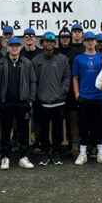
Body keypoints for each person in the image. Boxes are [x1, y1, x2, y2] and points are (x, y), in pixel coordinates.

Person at [72, 32, 102, 166]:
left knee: (100, 125)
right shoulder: (78, 59)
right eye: (87, 40)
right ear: (84, 42)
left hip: (100, 97)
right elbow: (75, 78)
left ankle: (101, 152)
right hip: (84, 97)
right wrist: (77, 94)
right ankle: (83, 153)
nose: (90, 43)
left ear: (95, 42)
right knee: (84, 125)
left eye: (92, 40)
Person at [0, 37, 36, 170]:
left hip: (22, 103)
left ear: (20, 47)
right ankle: (5, 157)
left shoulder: (26, 62)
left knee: (23, 132)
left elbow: (32, 81)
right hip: (6, 103)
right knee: (6, 131)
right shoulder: (1, 63)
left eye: (17, 46)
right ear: (7, 47)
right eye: (11, 45)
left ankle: (23, 157)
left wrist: (30, 99)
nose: (14, 48)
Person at [32, 32, 71, 166]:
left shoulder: (62, 59)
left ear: (54, 43)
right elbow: (33, 80)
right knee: (43, 130)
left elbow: (67, 77)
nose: (49, 44)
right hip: (42, 102)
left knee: (58, 130)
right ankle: (44, 153)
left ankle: (56, 153)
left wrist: (63, 91)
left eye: (51, 41)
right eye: (46, 41)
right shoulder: (36, 60)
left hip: (58, 101)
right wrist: (37, 96)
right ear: (42, 43)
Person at [66, 24, 85, 159]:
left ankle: (88, 144)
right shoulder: (68, 50)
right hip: (71, 90)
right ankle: (74, 146)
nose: (77, 34)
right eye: (75, 32)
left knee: (86, 118)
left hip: (87, 87)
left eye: (79, 32)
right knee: (72, 118)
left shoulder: (87, 48)